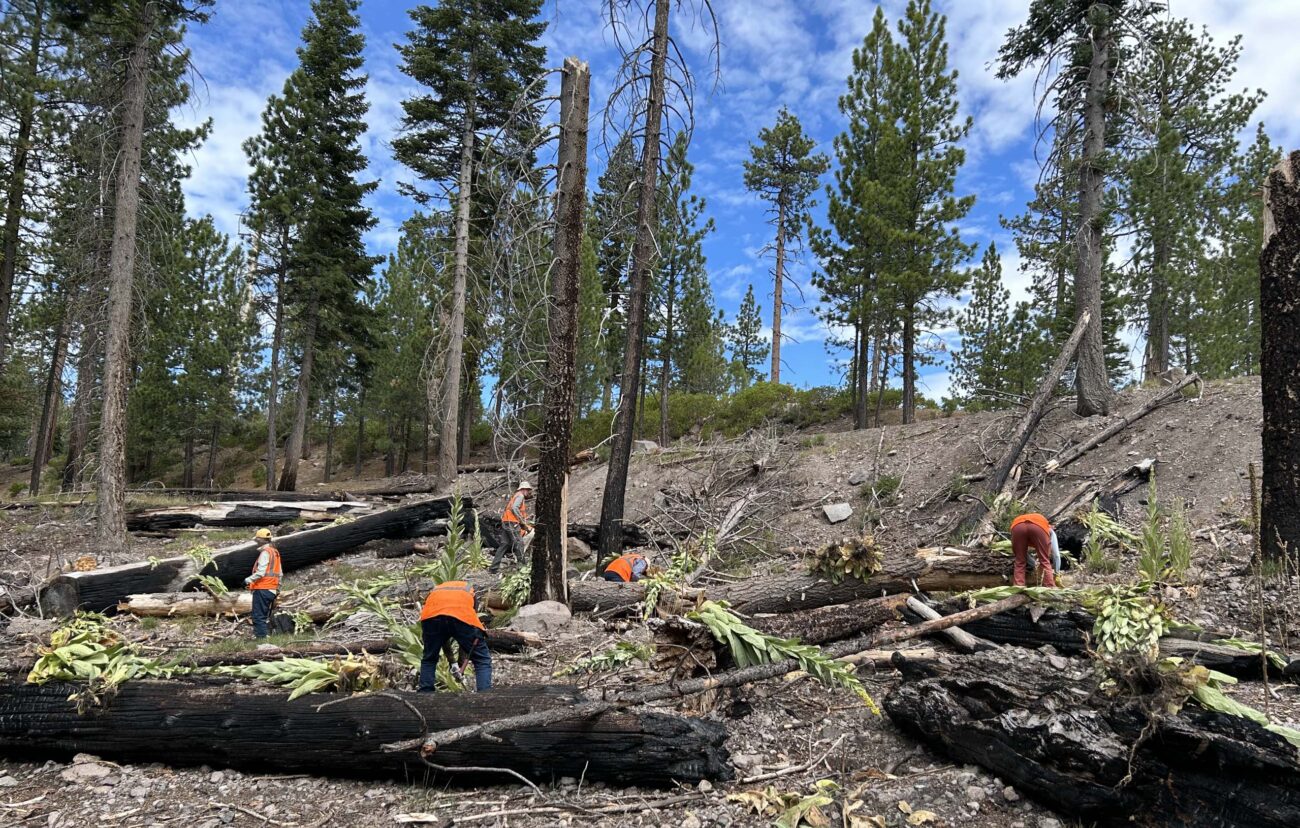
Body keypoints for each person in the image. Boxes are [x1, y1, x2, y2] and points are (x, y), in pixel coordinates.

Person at [418, 580, 492, 692]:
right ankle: (485, 697)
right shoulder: (468, 590)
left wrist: (456, 664)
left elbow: (442, 636)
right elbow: (467, 632)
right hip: (459, 616)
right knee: (482, 659)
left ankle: (424, 695)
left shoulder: (436, 590)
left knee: (429, 658)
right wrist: (456, 663)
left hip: (431, 618)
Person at [244, 528, 282, 638]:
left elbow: (260, 573)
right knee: (264, 615)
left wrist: (247, 580)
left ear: (261, 539)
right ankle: (266, 636)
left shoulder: (265, 553)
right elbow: (280, 573)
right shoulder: (275, 552)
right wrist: (277, 588)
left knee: (258, 616)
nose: (256, 541)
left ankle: (262, 640)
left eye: (257, 539)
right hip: (271, 589)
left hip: (263, 588)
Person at [490, 481, 534, 572]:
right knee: (519, 543)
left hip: (506, 522)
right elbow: (515, 508)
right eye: (527, 490)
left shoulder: (515, 496)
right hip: (512, 523)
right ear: (523, 489)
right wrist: (521, 521)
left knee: (504, 544)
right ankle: (523, 567)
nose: (528, 492)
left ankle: (493, 568)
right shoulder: (520, 496)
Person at [1010, 512, 1058, 588]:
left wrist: (1034, 563)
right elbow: (1056, 555)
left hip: (1017, 526)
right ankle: (1050, 586)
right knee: (1044, 560)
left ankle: (1018, 585)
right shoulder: (1049, 531)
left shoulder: (1025, 520)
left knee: (1019, 560)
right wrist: (1056, 571)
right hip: (1038, 527)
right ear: (1051, 527)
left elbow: (1021, 554)